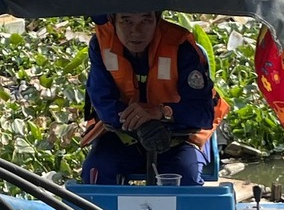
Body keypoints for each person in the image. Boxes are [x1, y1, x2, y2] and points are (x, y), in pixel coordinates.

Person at [79, 12, 225, 186]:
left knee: (185, 178)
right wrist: (144, 124)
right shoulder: (101, 45)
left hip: (179, 137)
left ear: (157, 19)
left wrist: (161, 112)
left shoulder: (181, 46)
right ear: (113, 21)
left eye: (145, 21)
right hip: (122, 134)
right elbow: (103, 103)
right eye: (126, 21)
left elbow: (201, 113)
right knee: (96, 172)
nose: (136, 31)